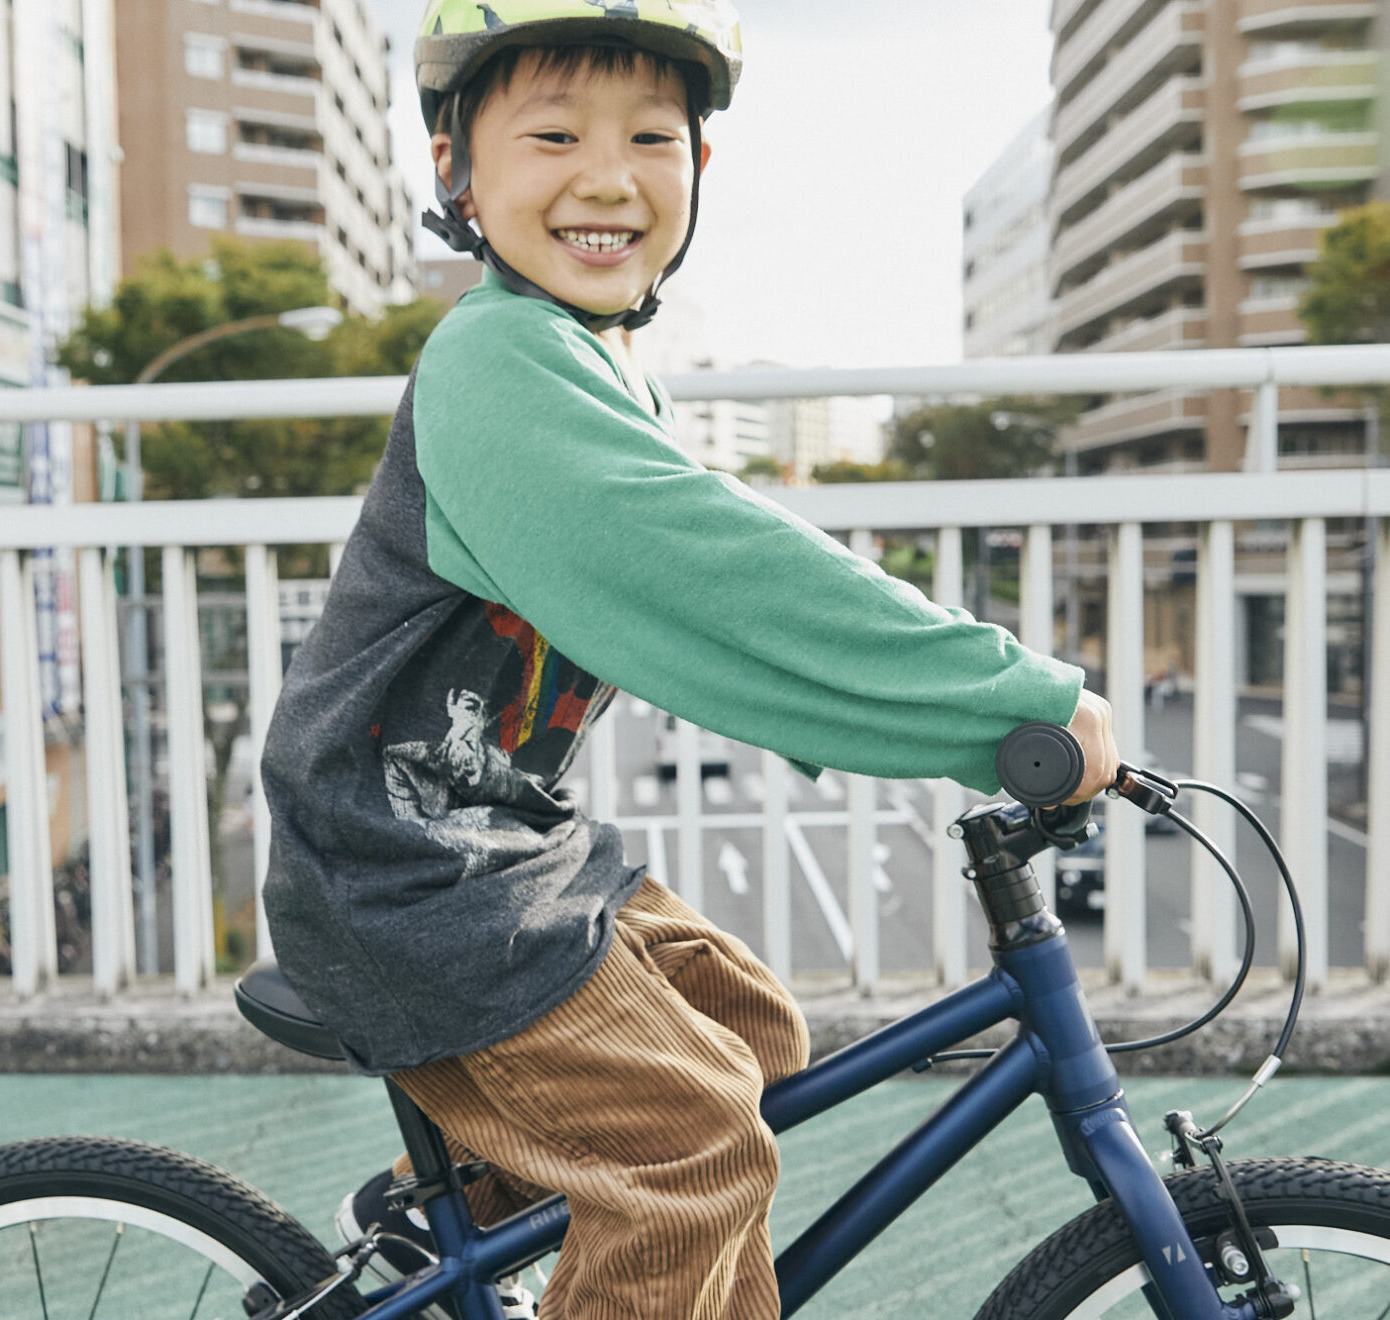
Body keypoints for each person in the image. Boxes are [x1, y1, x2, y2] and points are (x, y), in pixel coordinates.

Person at [257, 4, 1120, 1317]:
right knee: (697, 1149)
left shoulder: (587, 360)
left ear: (698, 171)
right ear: (457, 170)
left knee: (752, 1036)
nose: (606, 174)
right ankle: (486, 1227)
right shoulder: (496, 362)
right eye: (552, 134)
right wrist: (1005, 703)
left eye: (650, 136)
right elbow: (722, 582)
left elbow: (719, 573)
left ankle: (446, 1223)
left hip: (488, 851)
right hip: (399, 880)